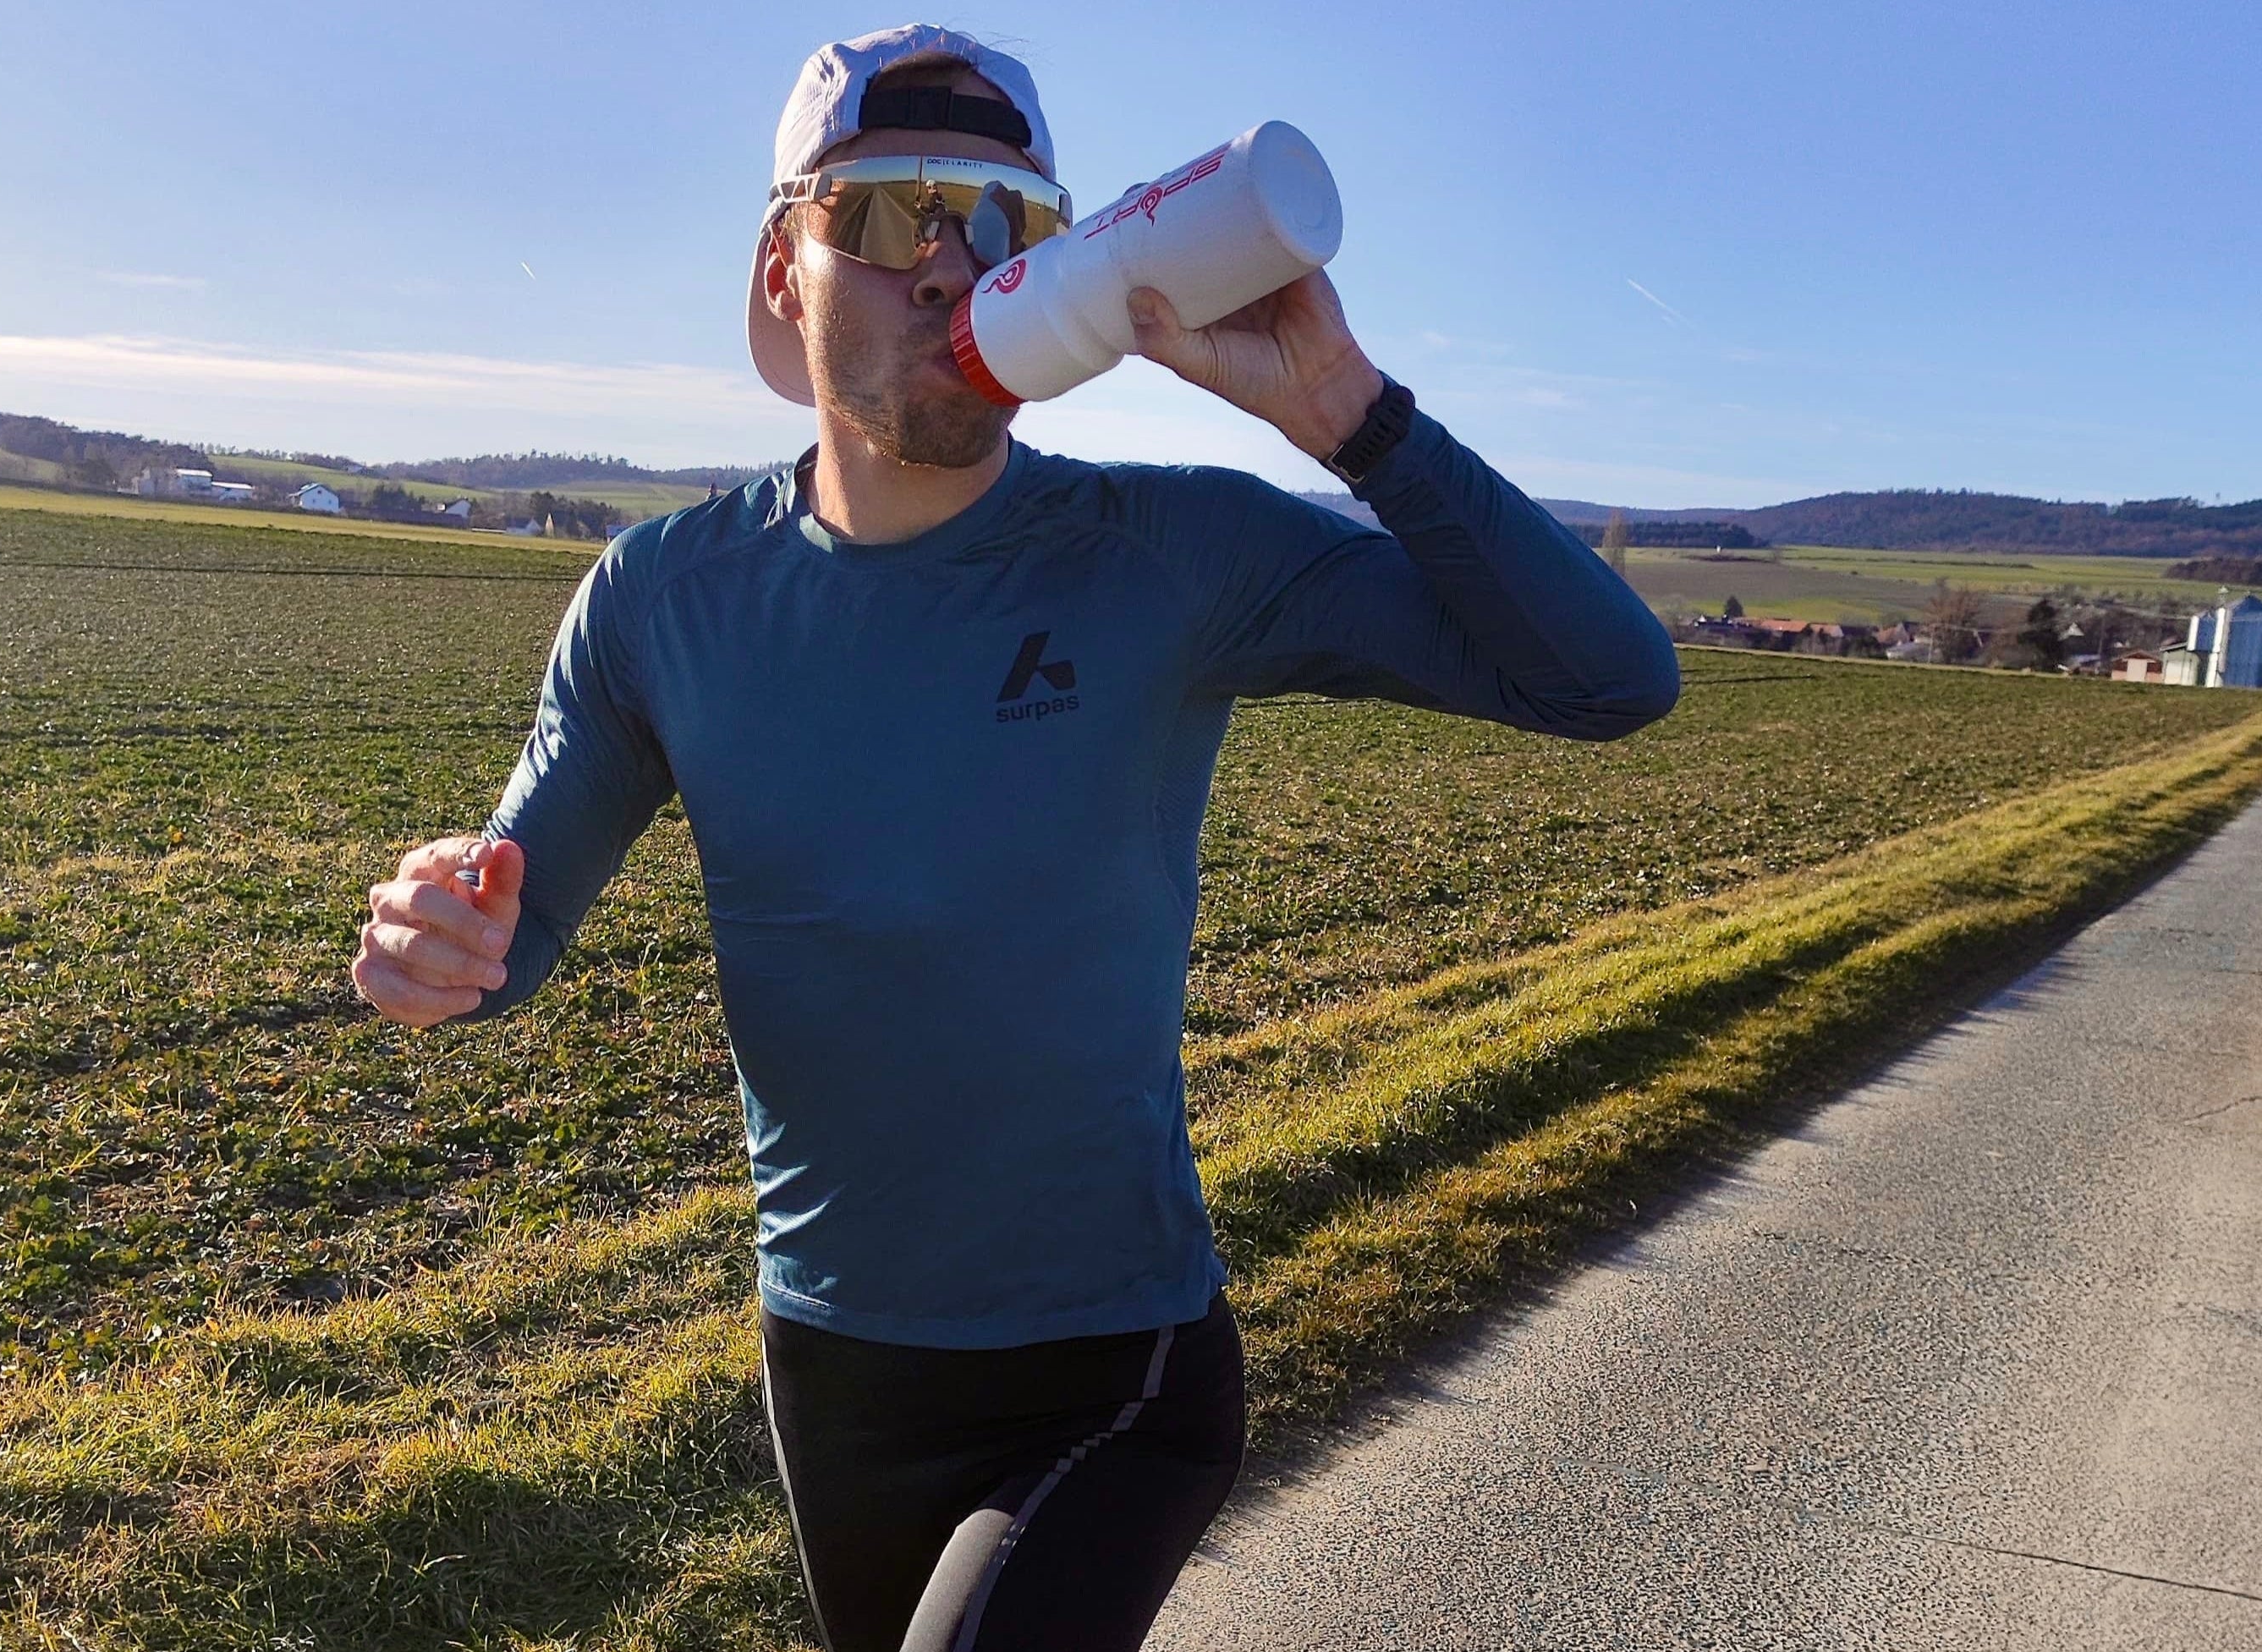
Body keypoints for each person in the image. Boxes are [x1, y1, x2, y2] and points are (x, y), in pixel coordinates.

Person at [349, 23, 1680, 1651]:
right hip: (830, 1361)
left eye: (1006, 222)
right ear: (786, 266)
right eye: (898, 211)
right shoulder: (663, 602)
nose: (955, 264)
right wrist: (443, 938)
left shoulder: (1170, 552)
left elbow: (1611, 681)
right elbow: (507, 929)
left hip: (1111, 1362)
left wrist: (1347, 410)